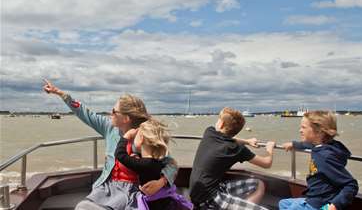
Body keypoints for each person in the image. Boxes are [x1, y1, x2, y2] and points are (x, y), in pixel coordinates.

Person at [43, 79, 177, 210]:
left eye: (114, 111)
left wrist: (160, 183)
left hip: (135, 190)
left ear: (126, 119)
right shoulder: (110, 128)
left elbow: (171, 163)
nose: (109, 113)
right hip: (107, 186)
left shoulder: (146, 135)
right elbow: (84, 112)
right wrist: (61, 94)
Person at [189, 107, 275, 210]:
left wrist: (247, 141)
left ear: (221, 124)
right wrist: (270, 149)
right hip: (209, 199)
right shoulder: (236, 148)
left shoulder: (209, 132)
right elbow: (266, 163)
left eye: (218, 119)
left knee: (258, 184)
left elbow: (227, 138)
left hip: (200, 193)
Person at [279, 111, 358, 210]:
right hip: (313, 197)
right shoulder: (326, 146)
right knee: (283, 203)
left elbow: (351, 185)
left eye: (303, 127)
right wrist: (294, 144)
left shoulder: (325, 156)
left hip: (317, 204)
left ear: (319, 131)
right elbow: (309, 144)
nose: (300, 130)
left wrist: (334, 206)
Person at [115, 118, 193, 210]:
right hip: (165, 199)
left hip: (154, 204)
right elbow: (171, 163)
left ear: (141, 139)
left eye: (136, 134)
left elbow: (120, 155)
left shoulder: (143, 164)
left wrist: (126, 137)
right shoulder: (158, 161)